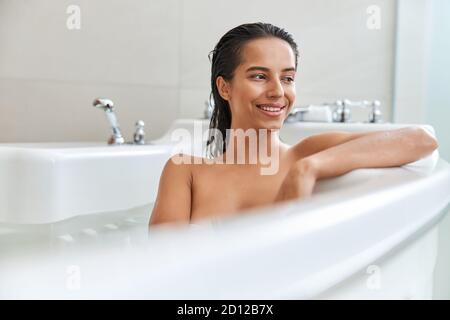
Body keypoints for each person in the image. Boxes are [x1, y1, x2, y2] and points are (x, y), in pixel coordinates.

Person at [149, 22, 438, 226]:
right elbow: (161, 269)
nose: (278, 91)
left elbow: (422, 140)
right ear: (224, 88)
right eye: (259, 76)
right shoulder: (186, 171)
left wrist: (306, 170)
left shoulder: (305, 154)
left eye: (287, 78)